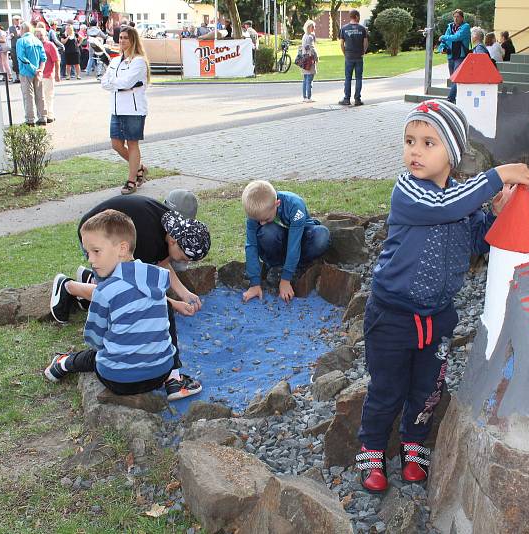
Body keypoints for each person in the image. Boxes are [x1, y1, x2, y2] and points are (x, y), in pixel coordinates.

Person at [354, 99, 529, 493]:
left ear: (451, 154)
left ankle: (413, 443)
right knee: (387, 388)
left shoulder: (458, 196)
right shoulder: (409, 192)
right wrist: (497, 175)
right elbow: (442, 207)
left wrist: (494, 213)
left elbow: (473, 238)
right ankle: (371, 447)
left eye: (428, 142)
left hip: (437, 317)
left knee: (427, 389)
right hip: (392, 316)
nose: (415, 150)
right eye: (409, 140)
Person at [49, 197, 211, 400]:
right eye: (185, 258)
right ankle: (69, 286)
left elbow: (95, 339)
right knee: (119, 294)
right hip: (159, 374)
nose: (90, 259)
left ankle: (62, 364)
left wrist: (183, 295)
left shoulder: (174, 231)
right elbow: (144, 289)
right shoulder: (153, 267)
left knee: (96, 353)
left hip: (116, 379)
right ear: (172, 241)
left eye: (95, 253)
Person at [241, 180, 331, 304]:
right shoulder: (257, 214)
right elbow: (251, 246)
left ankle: (298, 267)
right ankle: (276, 266)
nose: (261, 223)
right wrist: (254, 283)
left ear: (277, 204)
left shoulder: (294, 204)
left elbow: (294, 244)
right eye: (258, 220)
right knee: (266, 231)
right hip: (279, 242)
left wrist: (285, 279)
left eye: (265, 219)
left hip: (300, 238)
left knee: (322, 236)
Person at [100, 26, 150, 195]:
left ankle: (132, 180)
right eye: (120, 37)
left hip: (133, 110)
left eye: (126, 38)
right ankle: (140, 168)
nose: (122, 41)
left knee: (132, 143)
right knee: (116, 144)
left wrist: (118, 84)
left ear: (133, 40)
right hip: (116, 108)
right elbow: (104, 82)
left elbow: (126, 83)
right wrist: (119, 84)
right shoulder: (115, 61)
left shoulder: (139, 62)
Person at [16, 22, 47, 126]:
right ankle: (43, 117)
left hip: (26, 72)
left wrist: (34, 69)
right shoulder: (38, 41)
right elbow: (43, 58)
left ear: (22, 30)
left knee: (28, 96)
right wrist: (40, 70)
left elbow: (22, 58)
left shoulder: (21, 41)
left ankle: (30, 119)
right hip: (38, 72)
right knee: (40, 95)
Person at [438, 9, 470, 104]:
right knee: (453, 79)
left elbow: (457, 37)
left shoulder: (466, 27)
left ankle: (450, 98)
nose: (456, 19)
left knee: (457, 78)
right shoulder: (450, 27)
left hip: (460, 57)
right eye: (454, 17)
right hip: (451, 56)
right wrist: (442, 48)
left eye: (458, 17)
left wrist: (443, 36)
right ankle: (456, 98)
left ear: (462, 18)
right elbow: (444, 42)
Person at [338, 9, 368, 107]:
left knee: (348, 78)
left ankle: (346, 99)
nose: (359, 18)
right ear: (356, 16)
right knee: (359, 78)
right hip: (359, 57)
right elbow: (365, 42)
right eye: (358, 16)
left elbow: (342, 43)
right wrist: (363, 52)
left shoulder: (344, 28)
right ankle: (357, 100)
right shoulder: (362, 28)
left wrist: (345, 53)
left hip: (349, 56)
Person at [35, 27, 59, 123]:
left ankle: (50, 115)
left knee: (48, 96)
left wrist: (57, 73)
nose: (40, 37)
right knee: (40, 98)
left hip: (48, 75)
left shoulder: (50, 45)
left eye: (41, 35)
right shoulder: (35, 45)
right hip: (38, 75)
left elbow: (56, 60)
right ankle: (43, 115)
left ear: (45, 35)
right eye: (37, 35)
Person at [300, 20, 318, 103]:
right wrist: (316, 58)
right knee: (309, 79)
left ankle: (304, 97)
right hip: (309, 60)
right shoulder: (310, 37)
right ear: (308, 27)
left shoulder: (304, 36)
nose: (314, 28)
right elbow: (312, 49)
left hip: (304, 59)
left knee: (305, 79)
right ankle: (309, 97)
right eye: (312, 27)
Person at [8, 16, 22, 83]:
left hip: (22, 47)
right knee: (15, 62)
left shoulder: (23, 27)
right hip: (14, 47)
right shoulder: (10, 28)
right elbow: (7, 37)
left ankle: (23, 76)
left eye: (18, 19)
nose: (18, 21)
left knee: (23, 60)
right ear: (13, 21)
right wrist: (10, 36)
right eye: (16, 20)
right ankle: (17, 77)